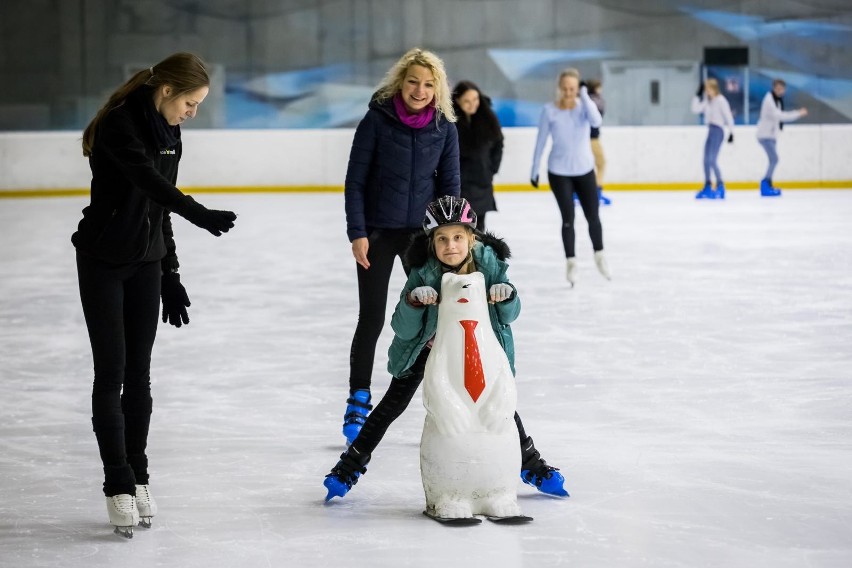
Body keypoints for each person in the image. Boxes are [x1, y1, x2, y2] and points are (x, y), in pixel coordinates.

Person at [72, 52, 237, 537]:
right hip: (103, 262)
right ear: (166, 90)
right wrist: (200, 212)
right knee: (112, 373)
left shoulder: (171, 131)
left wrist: (170, 271)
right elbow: (148, 182)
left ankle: (139, 474)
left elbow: (158, 204)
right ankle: (116, 482)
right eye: (190, 101)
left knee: (140, 377)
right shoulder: (121, 126)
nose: (193, 112)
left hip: (145, 262)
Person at [324, 196, 568, 501]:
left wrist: (507, 297)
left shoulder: (489, 264)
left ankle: (532, 465)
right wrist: (414, 302)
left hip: (475, 349)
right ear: (431, 241)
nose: (450, 245)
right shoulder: (422, 269)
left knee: (503, 409)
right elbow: (402, 328)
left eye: (457, 237)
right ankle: (348, 468)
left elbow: (509, 316)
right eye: (441, 238)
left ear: (471, 238)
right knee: (391, 406)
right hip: (427, 348)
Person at [342, 48, 460, 446]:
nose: (420, 90)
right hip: (376, 233)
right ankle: (358, 398)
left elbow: (450, 188)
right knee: (372, 315)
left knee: (437, 319)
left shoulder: (444, 127)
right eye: (413, 81)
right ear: (400, 81)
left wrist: (448, 239)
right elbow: (355, 181)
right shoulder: (377, 119)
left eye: (429, 84)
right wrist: (357, 232)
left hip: (421, 238)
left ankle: (444, 400)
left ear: (437, 88)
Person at [530, 68, 610, 287]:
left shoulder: (585, 108)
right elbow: (541, 141)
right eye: (565, 88)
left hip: (584, 170)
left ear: (578, 88)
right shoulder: (549, 111)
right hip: (559, 172)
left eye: (572, 88)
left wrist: (584, 95)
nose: (568, 92)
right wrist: (534, 169)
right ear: (559, 88)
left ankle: (599, 254)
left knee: (593, 216)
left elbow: (596, 121)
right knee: (568, 219)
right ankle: (571, 262)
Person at [452, 80, 504, 231]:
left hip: (482, 181)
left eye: (475, 99)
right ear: (457, 100)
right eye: (467, 101)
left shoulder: (488, 117)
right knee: (460, 228)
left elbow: (498, 143)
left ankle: (477, 255)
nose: (472, 104)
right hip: (461, 185)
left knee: (479, 228)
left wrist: (492, 168)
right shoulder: (450, 121)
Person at [755, 79, 808, 197]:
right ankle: (765, 183)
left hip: (771, 135)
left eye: (781, 89)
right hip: (765, 135)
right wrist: (798, 113)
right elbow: (780, 116)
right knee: (774, 159)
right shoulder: (769, 100)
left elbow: (778, 117)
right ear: (774, 88)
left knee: (773, 159)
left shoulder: (777, 101)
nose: (779, 91)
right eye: (777, 88)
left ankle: (767, 184)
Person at [691, 77, 735, 200]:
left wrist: (732, 132)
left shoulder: (721, 100)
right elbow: (695, 109)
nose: (707, 91)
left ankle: (720, 185)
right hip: (710, 130)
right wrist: (697, 95)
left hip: (718, 130)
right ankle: (707, 185)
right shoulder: (707, 101)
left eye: (709, 89)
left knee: (712, 160)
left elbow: (728, 116)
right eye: (706, 89)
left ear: (715, 89)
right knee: (705, 159)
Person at [586, 79, 612, 206]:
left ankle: (581, 190)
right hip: (592, 138)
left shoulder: (584, 100)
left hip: (586, 138)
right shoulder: (595, 101)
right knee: (601, 163)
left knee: (587, 164)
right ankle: (597, 191)